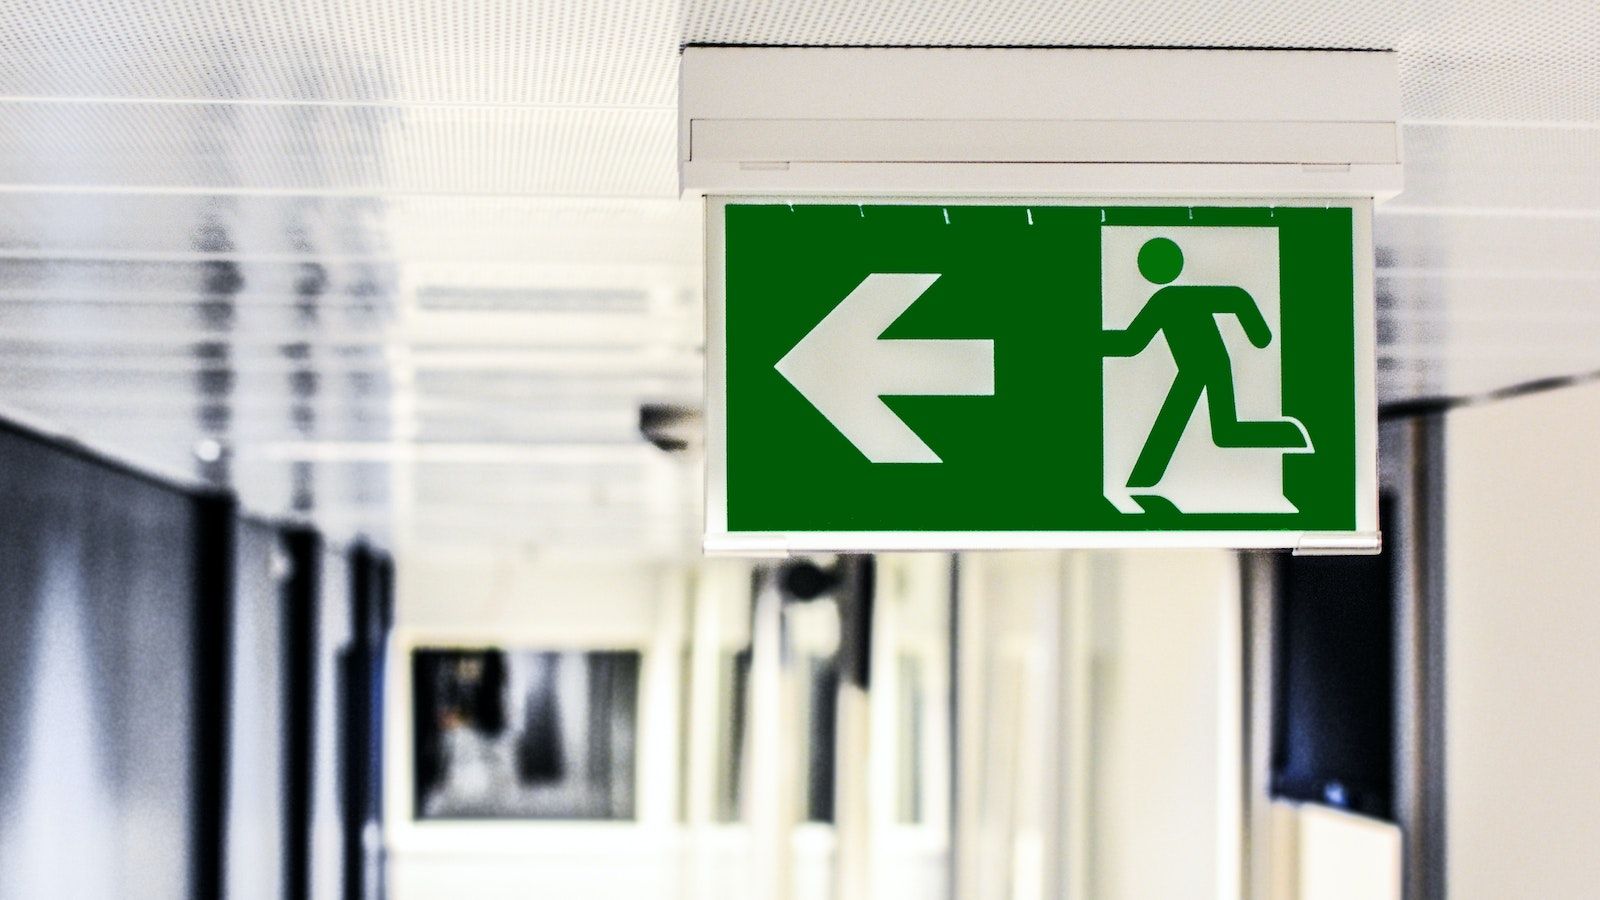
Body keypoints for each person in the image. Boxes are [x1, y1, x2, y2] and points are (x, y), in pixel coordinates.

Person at [1104, 237, 1307, 490]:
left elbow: (1131, 342)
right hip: (1198, 367)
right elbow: (1132, 342)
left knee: (1215, 430)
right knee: (1225, 432)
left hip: (1207, 366)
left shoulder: (1166, 300)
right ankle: (1289, 436)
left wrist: (1259, 335)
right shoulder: (1166, 300)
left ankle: (1144, 479)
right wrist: (1258, 335)